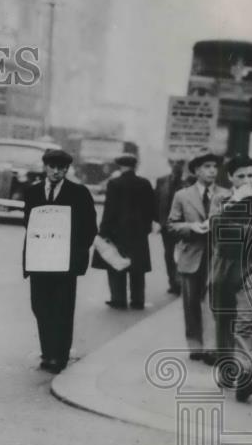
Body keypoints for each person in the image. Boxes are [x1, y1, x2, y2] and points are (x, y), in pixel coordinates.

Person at [23, 148, 97, 374]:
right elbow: (29, 223)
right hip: (40, 261)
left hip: (65, 264)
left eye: (62, 168)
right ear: (45, 167)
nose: (56, 172)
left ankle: (60, 357)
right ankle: (47, 353)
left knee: (62, 309)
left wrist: (73, 252)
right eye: (52, 167)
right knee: (40, 306)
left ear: (67, 169)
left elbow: (90, 228)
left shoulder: (79, 192)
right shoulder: (33, 192)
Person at [209, 155, 252, 402]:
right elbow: (216, 230)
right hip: (224, 266)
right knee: (223, 320)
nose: (247, 180)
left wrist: (234, 223)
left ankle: (245, 374)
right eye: (241, 176)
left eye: (250, 175)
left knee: (245, 321)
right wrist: (235, 207)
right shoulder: (220, 198)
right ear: (230, 178)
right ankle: (229, 369)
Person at [167, 153, 229, 363]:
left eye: (214, 166)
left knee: (214, 302)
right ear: (196, 171)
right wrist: (191, 227)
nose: (212, 170)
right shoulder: (182, 195)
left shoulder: (227, 194)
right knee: (191, 302)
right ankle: (196, 346)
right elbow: (172, 225)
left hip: (218, 255)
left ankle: (212, 348)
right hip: (191, 254)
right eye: (206, 166)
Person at [92, 153, 157, 309]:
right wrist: (146, 227)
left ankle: (118, 299)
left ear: (120, 166)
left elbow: (110, 210)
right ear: (135, 166)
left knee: (116, 264)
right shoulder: (145, 183)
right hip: (138, 232)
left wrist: (103, 231)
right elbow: (151, 208)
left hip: (117, 231)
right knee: (137, 268)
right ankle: (137, 300)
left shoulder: (114, 183)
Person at [155, 159, 188, 294]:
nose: (176, 167)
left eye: (179, 164)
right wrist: (158, 220)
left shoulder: (188, 183)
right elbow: (156, 200)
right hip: (166, 225)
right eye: (174, 164)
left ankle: (181, 281)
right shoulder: (161, 181)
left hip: (183, 225)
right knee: (168, 254)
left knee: (182, 254)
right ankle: (173, 282)